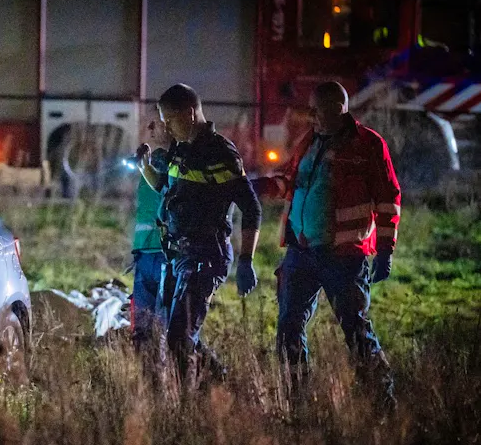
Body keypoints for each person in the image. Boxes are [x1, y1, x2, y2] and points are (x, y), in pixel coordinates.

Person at [256, 81, 400, 408]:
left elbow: (388, 199)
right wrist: (258, 184)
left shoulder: (367, 145)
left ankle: (383, 402)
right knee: (288, 326)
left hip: (344, 257)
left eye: (316, 109)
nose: (310, 115)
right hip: (302, 253)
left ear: (337, 108)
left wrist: (385, 250)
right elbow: (289, 180)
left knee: (355, 330)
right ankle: (297, 402)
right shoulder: (309, 140)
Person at [137, 84, 262, 385]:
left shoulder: (220, 152)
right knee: (178, 333)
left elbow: (252, 208)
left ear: (190, 114)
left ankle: (190, 410)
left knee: (179, 337)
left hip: (207, 255)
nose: (166, 127)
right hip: (180, 256)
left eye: (170, 119)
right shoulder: (181, 149)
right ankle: (223, 386)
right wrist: (144, 168)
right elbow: (165, 187)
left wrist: (246, 260)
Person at [130, 122, 170, 345]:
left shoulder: (177, 164)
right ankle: (148, 376)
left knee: (167, 329)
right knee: (144, 329)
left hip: (166, 255)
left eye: (158, 125)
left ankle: (212, 371)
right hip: (145, 253)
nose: (151, 129)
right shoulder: (151, 163)